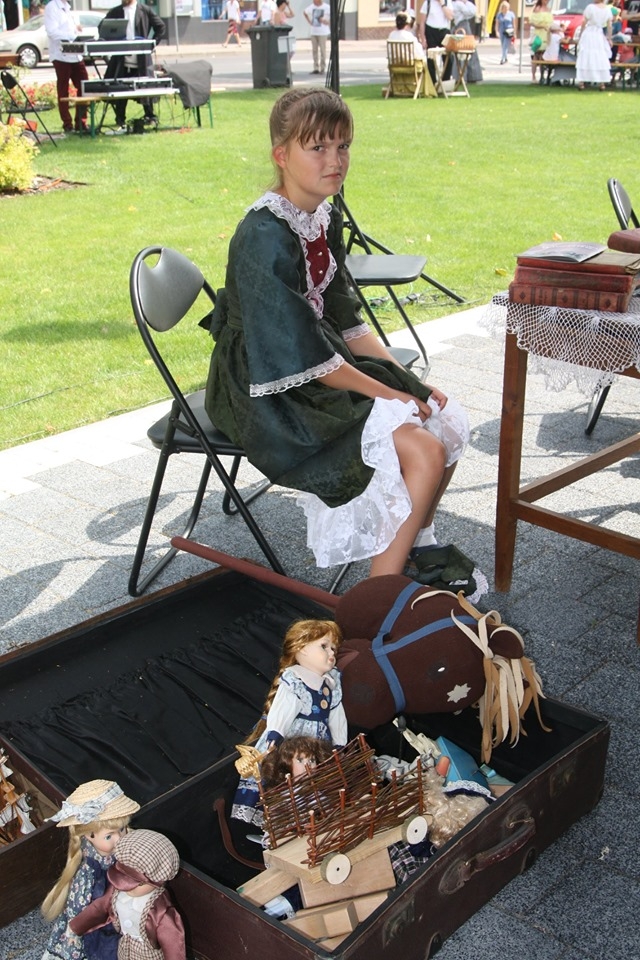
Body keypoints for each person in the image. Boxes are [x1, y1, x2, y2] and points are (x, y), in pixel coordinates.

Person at [204, 88, 469, 579]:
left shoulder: (322, 216)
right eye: (318, 147)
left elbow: (346, 322)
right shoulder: (264, 236)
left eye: (343, 145)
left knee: (444, 417)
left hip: (317, 357)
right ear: (281, 155)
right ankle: (380, 596)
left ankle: (414, 545)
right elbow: (300, 359)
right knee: (424, 449)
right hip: (265, 385)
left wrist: (406, 381)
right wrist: (391, 393)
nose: (335, 160)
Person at [231, 618, 347, 823]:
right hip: (294, 739)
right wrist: (276, 732)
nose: (331, 653)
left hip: (319, 742)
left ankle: (311, 817)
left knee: (315, 779)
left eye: (333, 649)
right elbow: (283, 708)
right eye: (324, 646)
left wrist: (339, 742)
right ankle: (281, 819)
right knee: (287, 776)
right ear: (301, 648)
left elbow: (337, 715)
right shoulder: (295, 678)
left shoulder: (331, 682)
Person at [40, 780, 140, 960]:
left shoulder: (123, 851)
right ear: (89, 835)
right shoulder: (88, 872)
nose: (119, 839)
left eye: (122, 829)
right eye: (109, 836)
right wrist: (75, 932)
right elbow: (77, 907)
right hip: (98, 922)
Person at [69, 829, 186, 960]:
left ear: (158, 881)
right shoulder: (117, 891)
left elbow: (173, 945)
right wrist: (76, 927)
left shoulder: (161, 911)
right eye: (122, 878)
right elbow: (100, 908)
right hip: (124, 948)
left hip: (147, 954)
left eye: (139, 884)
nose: (127, 888)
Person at [101, 0, 165, 135]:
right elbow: (102, 27)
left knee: (145, 88)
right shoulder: (116, 11)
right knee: (119, 88)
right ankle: (120, 119)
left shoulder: (145, 10)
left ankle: (150, 116)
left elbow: (160, 26)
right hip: (121, 59)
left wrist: (151, 44)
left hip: (141, 58)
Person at [43, 0, 89, 135]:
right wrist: (71, 36)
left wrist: (77, 30)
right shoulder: (52, 7)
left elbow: (70, 29)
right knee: (63, 89)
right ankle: (67, 124)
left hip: (76, 54)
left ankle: (81, 122)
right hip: (60, 55)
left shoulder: (68, 8)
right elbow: (52, 32)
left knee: (84, 85)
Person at [576, 0, 613, 87]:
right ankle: (602, 83)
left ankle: (582, 82)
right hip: (599, 35)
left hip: (589, 33)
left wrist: (581, 34)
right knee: (600, 56)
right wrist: (609, 38)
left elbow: (584, 22)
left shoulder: (590, 7)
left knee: (586, 55)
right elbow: (609, 26)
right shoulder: (607, 9)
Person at [418, 0, 454, 83]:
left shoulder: (447, 2)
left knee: (448, 58)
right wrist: (423, 39)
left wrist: (442, 4)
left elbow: (450, 17)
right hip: (431, 30)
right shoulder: (428, 2)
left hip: (444, 31)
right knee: (431, 59)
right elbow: (422, 22)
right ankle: (432, 83)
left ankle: (445, 81)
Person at [451, 0, 483, 80]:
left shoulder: (454, 4)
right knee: (465, 51)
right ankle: (469, 76)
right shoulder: (458, 4)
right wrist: (465, 2)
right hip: (463, 27)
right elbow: (471, 12)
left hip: (459, 27)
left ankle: (461, 76)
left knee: (462, 52)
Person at [529, 0, 554, 81]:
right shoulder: (537, 9)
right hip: (539, 35)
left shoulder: (549, 9)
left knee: (543, 56)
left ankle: (543, 76)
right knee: (536, 56)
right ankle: (533, 76)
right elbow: (532, 22)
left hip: (547, 35)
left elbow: (551, 23)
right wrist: (542, 26)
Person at [304, 0, 330, 74]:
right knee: (314, 50)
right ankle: (316, 67)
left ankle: (322, 67)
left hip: (323, 32)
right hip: (314, 31)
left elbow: (333, 17)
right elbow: (305, 12)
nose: (313, 1)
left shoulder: (327, 7)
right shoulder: (312, 7)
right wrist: (309, 21)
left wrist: (327, 22)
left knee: (322, 50)